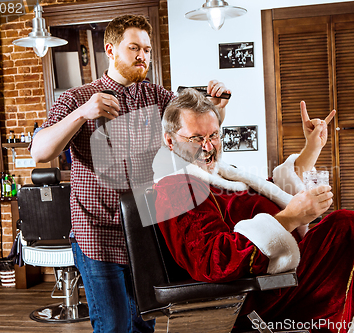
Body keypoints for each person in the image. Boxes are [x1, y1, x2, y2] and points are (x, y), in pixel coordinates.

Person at [152, 88, 354, 333]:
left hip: (286, 272)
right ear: (170, 140)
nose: (208, 146)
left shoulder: (223, 173)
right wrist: (290, 218)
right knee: (346, 226)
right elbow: (214, 260)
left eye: (214, 135)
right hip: (259, 292)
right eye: (195, 138)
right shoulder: (175, 189)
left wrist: (312, 148)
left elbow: (271, 191)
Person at [30, 15, 230, 333]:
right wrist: (83, 114)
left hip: (144, 234)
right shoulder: (77, 98)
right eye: (134, 47)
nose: (142, 56)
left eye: (147, 50)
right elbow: (40, 152)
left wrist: (217, 109)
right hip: (97, 235)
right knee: (113, 327)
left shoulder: (158, 97)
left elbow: (195, 140)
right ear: (110, 49)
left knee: (142, 326)